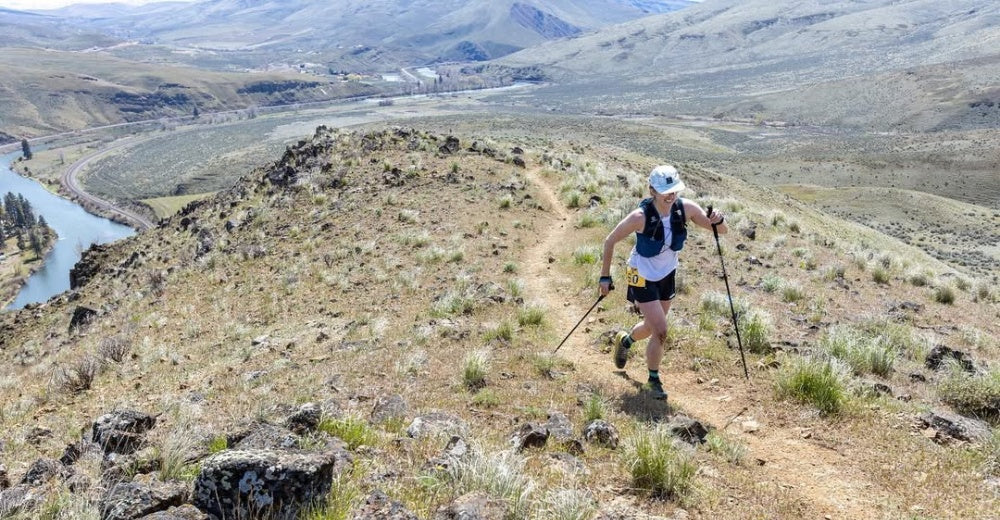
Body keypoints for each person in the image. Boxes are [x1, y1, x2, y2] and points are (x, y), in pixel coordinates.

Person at [599, 165, 727, 400]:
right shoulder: (640, 217)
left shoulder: (685, 208)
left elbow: (721, 231)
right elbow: (609, 241)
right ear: (652, 191)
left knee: (650, 327)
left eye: (674, 190)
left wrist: (718, 220)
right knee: (661, 330)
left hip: (667, 274)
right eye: (665, 191)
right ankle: (653, 380)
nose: (671, 195)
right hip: (641, 274)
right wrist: (605, 277)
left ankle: (625, 341)